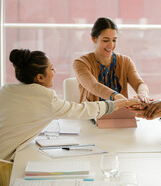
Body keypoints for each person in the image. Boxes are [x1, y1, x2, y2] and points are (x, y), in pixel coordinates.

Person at [0, 49, 141, 161]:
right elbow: (82, 110)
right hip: (4, 163)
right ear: (40, 77)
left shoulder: (6, 90)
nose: (54, 72)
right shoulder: (46, 98)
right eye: (51, 69)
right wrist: (119, 103)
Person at [73, 17, 151, 103]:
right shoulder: (80, 63)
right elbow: (93, 86)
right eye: (106, 40)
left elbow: (139, 84)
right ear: (94, 39)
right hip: (92, 114)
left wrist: (143, 94)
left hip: (121, 113)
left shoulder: (125, 61)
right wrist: (116, 96)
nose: (111, 45)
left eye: (114, 40)